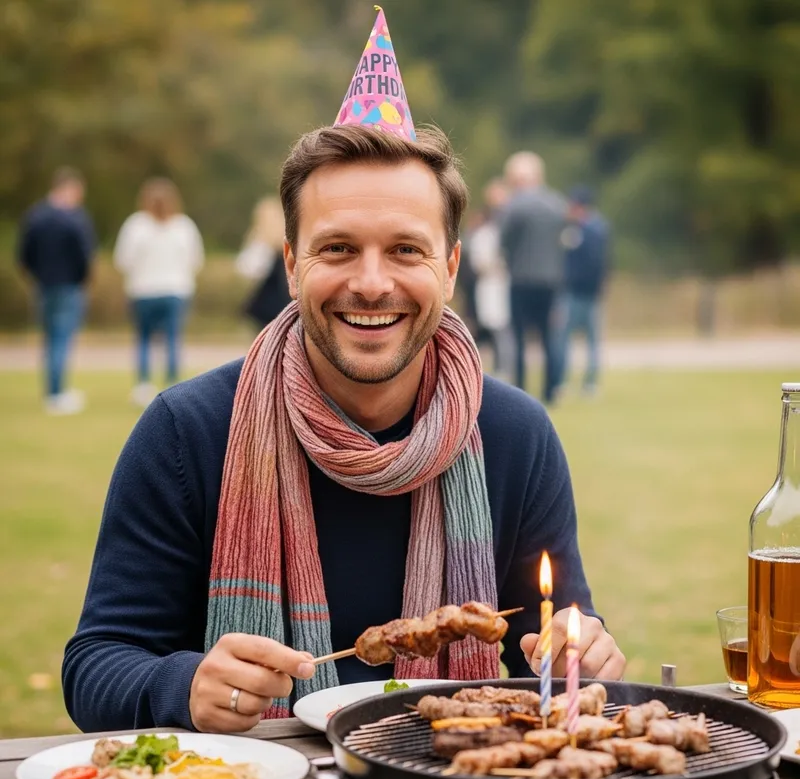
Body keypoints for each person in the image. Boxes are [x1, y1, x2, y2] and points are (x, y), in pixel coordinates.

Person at [63, 6, 624, 736]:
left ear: (450, 268)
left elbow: (559, 633)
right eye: (336, 249)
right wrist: (183, 683)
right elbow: (97, 662)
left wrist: (582, 653)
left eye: (405, 250)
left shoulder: (515, 434)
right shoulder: (186, 432)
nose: (370, 282)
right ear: (292, 263)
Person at [113, 177, 204, 407]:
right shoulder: (183, 226)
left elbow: (122, 260)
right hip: (175, 290)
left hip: (143, 291)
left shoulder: (136, 226)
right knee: (173, 338)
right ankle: (172, 384)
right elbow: (196, 260)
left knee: (143, 338)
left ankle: (143, 385)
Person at [17, 166, 95, 415]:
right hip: (68, 286)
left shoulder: (35, 216)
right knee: (62, 338)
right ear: (70, 188)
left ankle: (52, 389)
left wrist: (36, 275)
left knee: (50, 339)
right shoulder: (75, 218)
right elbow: (85, 256)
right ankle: (57, 393)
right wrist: (81, 279)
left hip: (43, 285)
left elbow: (24, 253)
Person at [499, 152, 567, 404]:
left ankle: (521, 391)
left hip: (521, 279)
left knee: (518, 337)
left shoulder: (514, 206)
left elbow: (503, 240)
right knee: (549, 337)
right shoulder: (557, 204)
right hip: (551, 280)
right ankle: (551, 390)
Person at [556, 186, 612, 396]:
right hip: (580, 292)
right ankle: (579, 382)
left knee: (579, 339)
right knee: (579, 340)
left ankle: (584, 382)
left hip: (581, 292)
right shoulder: (585, 228)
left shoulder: (589, 229)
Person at [466, 179, 513, 382]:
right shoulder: (483, 230)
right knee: (491, 327)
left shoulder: (504, 226)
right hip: (487, 284)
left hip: (501, 284)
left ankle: (505, 366)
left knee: (502, 329)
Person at [235, 197, 291, 331]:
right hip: (277, 302)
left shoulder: (266, 243)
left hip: (271, 303)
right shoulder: (268, 242)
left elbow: (248, 269)